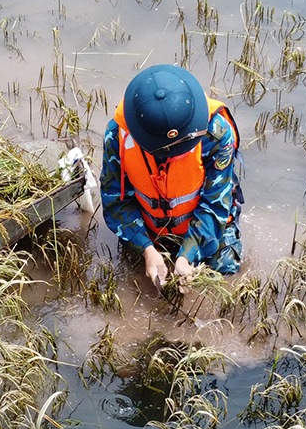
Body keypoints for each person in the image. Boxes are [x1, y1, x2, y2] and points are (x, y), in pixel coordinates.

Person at [100, 63, 243, 290]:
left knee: (224, 271)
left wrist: (187, 255)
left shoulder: (217, 133)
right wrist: (146, 249)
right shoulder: (117, 136)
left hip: (202, 222)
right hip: (149, 227)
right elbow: (115, 202)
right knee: (133, 275)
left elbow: (216, 205)